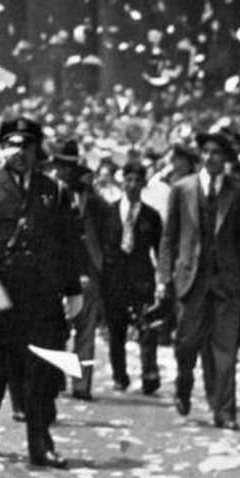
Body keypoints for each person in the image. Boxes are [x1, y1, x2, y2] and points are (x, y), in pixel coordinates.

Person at [0, 116, 84, 469]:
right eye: (13, 145)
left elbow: (67, 243)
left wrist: (73, 288)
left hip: (40, 298)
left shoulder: (53, 191)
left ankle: (40, 443)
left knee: (41, 374)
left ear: (36, 150)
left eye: (27, 146)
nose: (20, 153)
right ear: (3, 149)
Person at [156, 123, 240, 430]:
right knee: (186, 345)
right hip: (190, 281)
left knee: (224, 349)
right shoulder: (182, 189)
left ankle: (224, 410)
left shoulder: (239, 193)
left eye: (217, 153)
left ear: (226, 158)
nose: (211, 157)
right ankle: (183, 382)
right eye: (207, 152)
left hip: (226, 282)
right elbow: (169, 237)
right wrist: (164, 276)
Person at [52, 138, 118, 402]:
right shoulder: (47, 197)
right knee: (56, 329)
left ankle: (82, 385)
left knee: (86, 330)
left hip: (88, 273)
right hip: (57, 272)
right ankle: (55, 378)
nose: (66, 173)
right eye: (62, 167)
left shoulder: (95, 203)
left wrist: (101, 265)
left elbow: (109, 234)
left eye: (71, 169)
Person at [101, 154, 164, 393]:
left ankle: (149, 373)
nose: (133, 185)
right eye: (129, 180)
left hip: (141, 278)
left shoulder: (151, 216)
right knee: (116, 330)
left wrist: (161, 279)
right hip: (114, 279)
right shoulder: (109, 211)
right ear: (122, 183)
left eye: (138, 180)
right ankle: (120, 375)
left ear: (143, 184)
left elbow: (159, 250)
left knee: (147, 328)